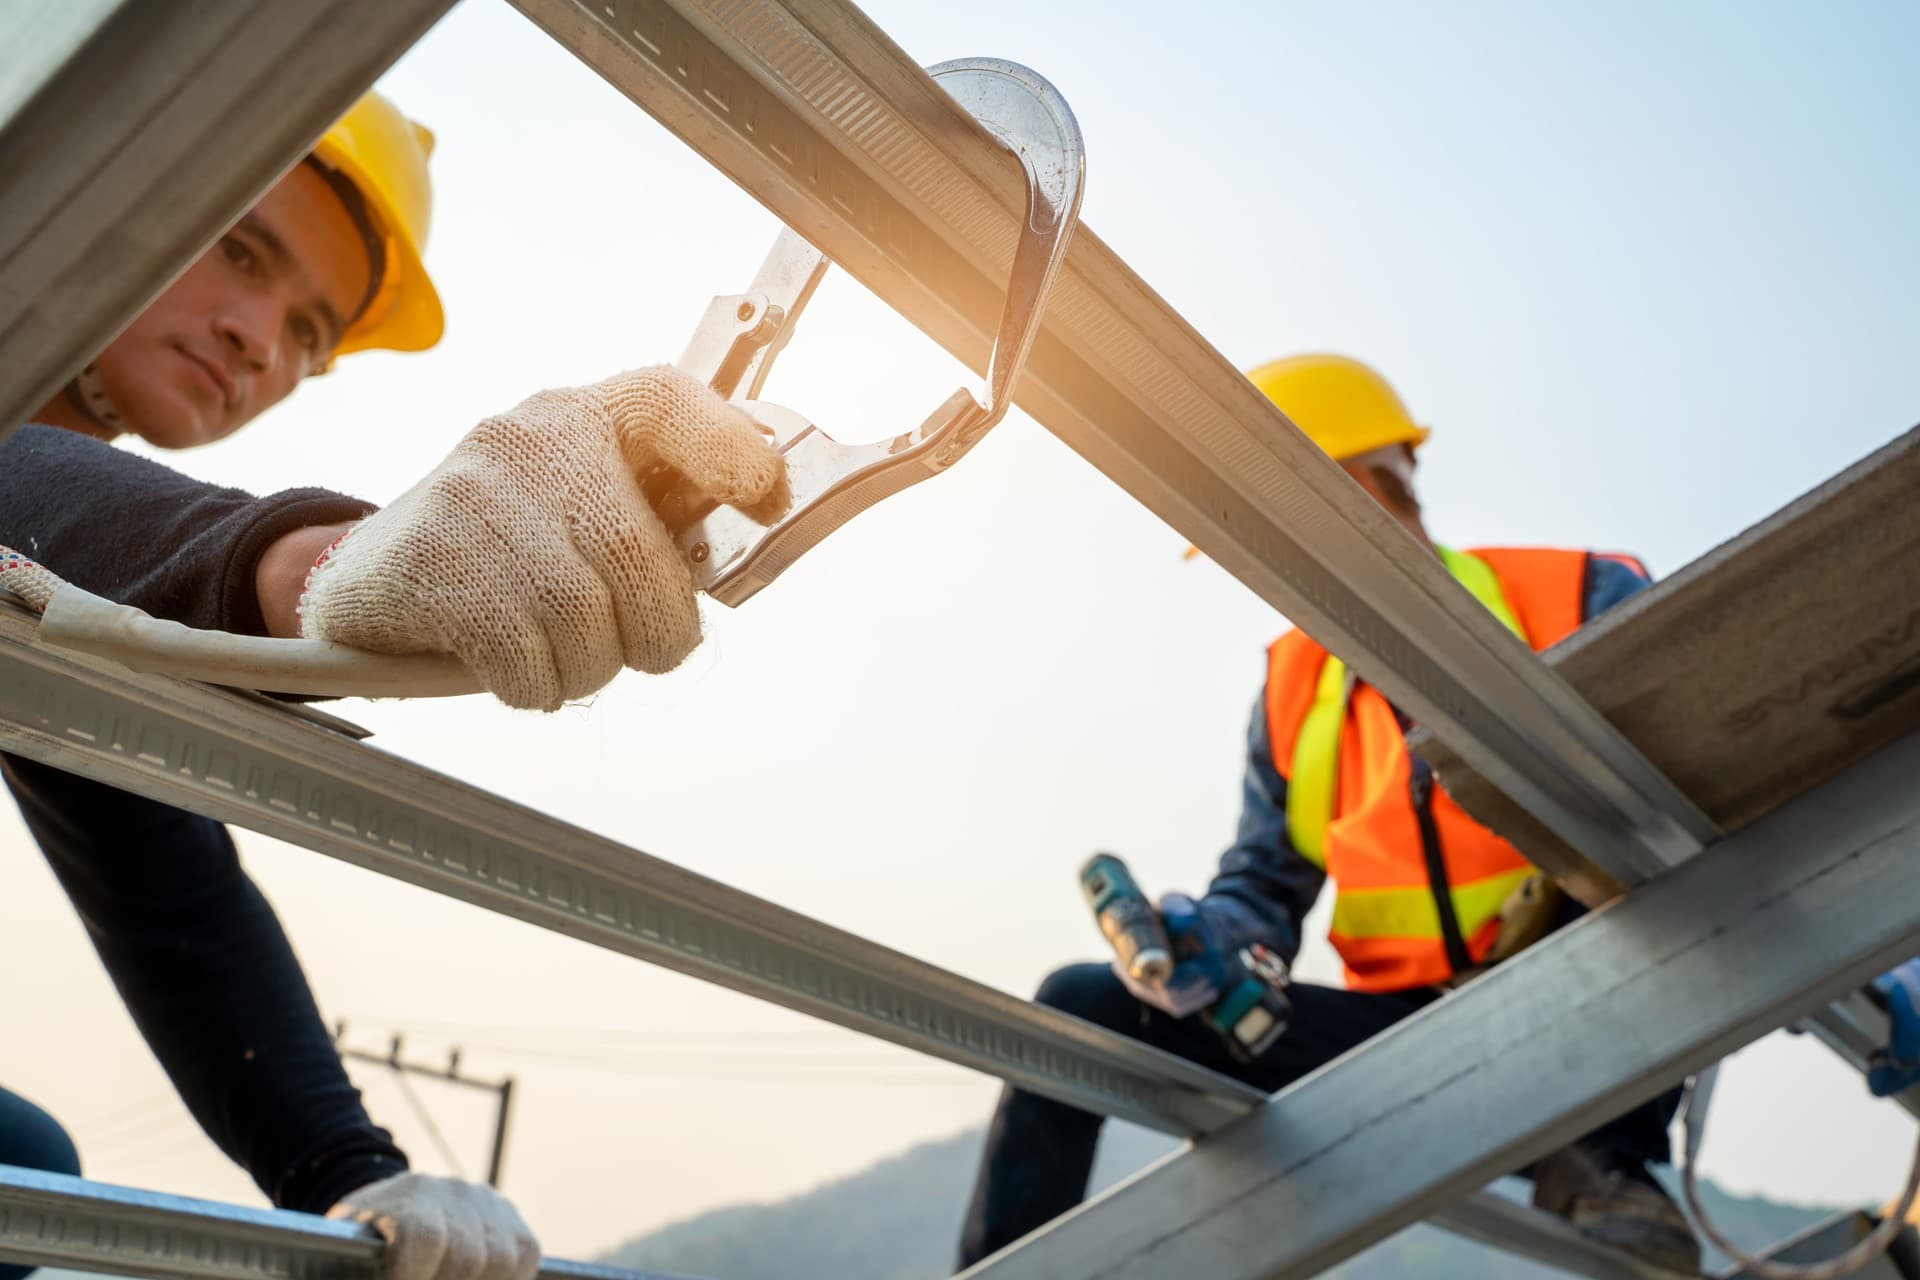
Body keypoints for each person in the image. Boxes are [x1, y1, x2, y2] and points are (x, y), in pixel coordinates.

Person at [0, 92, 785, 1280]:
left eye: (308, 330)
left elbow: (169, 894)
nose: (262, 340)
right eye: (243, 251)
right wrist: (324, 566)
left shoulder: (56, 570)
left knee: (21, 1156)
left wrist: (343, 1168)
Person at [956, 354, 1701, 1274]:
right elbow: (1263, 885)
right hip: (1418, 1037)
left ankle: (1601, 1156)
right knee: (1078, 1007)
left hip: (1603, 1020)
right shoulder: (1294, 690)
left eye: (1254, 535)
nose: (1252, 571)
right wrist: (1207, 940)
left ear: (1358, 498)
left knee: (1638, 877)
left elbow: (1708, 802)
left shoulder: (1573, 599)